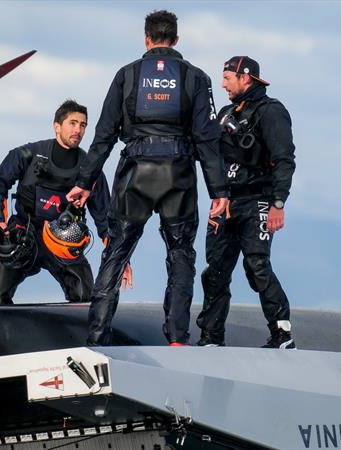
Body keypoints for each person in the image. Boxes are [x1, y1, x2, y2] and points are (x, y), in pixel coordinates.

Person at [67, 10, 229, 346]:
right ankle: (177, 339)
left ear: (146, 38)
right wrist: (220, 190)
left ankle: (97, 338)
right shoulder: (196, 78)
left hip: (135, 174)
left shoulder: (127, 74)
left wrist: (84, 182)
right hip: (178, 176)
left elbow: (104, 135)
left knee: (116, 253)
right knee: (181, 254)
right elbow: (207, 139)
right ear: (176, 40)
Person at [195, 56, 297, 349]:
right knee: (214, 271)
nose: (223, 83)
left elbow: (284, 160)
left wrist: (278, 203)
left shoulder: (271, 111)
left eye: (228, 77)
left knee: (256, 266)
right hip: (227, 203)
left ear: (246, 78)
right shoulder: (227, 112)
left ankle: (282, 333)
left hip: (258, 201)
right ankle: (211, 338)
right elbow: (208, 150)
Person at [0, 100, 112, 305]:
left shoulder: (91, 168)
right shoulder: (26, 154)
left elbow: (105, 217)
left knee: (85, 300)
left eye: (83, 125)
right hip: (25, 236)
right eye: (72, 123)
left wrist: (119, 259)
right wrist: (0, 221)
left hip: (64, 241)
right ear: (57, 126)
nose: (78, 130)